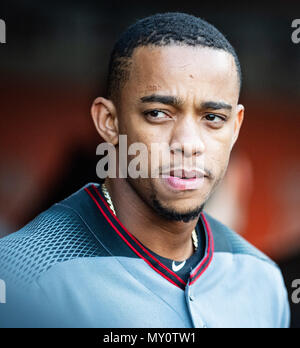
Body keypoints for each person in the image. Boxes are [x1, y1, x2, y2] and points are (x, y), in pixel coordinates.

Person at [0, 12, 290, 328]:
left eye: (213, 118)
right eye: (158, 113)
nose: (189, 143)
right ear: (109, 122)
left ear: (235, 128)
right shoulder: (21, 273)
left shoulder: (262, 281)